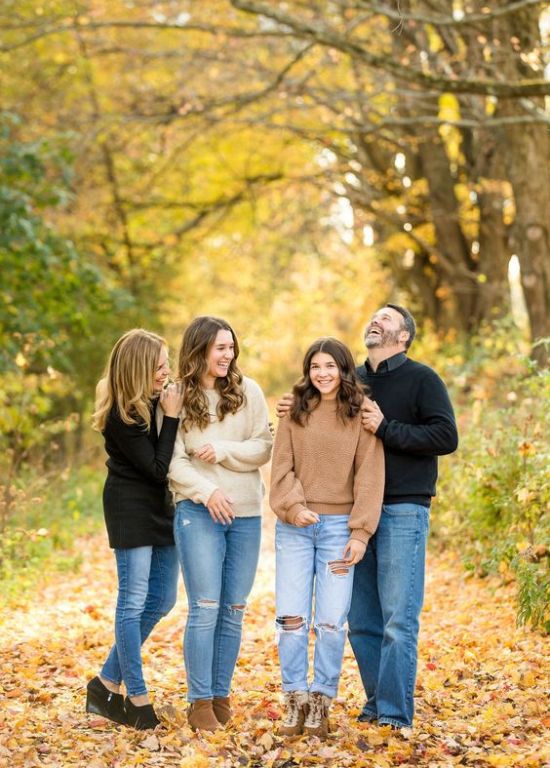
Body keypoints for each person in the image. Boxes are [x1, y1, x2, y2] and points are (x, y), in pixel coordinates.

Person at [277, 304, 458, 730]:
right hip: (350, 515)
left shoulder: (422, 378)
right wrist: (296, 399)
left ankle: (394, 714)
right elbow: (318, 408)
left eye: (388, 318)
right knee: (359, 620)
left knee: (397, 618)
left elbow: (446, 436)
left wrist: (388, 427)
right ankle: (377, 703)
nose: (376, 321)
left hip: (401, 508)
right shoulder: (354, 381)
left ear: (404, 335)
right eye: (374, 316)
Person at [270, 338, 385, 740]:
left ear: (344, 369)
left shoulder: (360, 413)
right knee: (291, 619)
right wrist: (294, 507)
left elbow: (370, 474)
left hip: (339, 531)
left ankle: (321, 700)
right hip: (296, 529)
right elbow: (281, 467)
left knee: (333, 622)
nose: (323, 373)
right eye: (316, 366)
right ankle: (294, 698)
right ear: (308, 370)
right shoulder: (294, 410)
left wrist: (360, 532)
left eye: (330, 366)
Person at [168, 316, 272, 733]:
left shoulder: (249, 392)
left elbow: (264, 446)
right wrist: (206, 492)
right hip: (198, 513)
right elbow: (172, 461)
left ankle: (220, 693)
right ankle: (199, 701)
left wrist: (225, 449)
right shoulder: (176, 397)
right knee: (205, 607)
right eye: (219, 348)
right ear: (198, 352)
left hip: (245, 513)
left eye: (231, 347)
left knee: (233, 609)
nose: (228, 355)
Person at [86, 328, 184, 730]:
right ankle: (137, 698)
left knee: (162, 599)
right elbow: (157, 469)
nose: (166, 372)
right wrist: (173, 416)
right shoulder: (121, 415)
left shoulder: (151, 401)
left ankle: (105, 683)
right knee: (131, 601)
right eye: (159, 365)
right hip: (130, 507)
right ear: (139, 367)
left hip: (160, 509)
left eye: (166, 364)